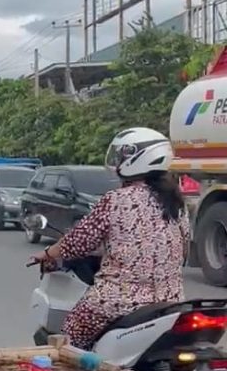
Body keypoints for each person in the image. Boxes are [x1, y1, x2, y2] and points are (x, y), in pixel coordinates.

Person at [29, 128, 190, 350]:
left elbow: (78, 242)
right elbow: (182, 251)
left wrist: (46, 254)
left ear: (136, 159)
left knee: (70, 337)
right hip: (171, 301)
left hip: (119, 301)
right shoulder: (177, 202)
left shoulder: (117, 199)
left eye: (121, 156)